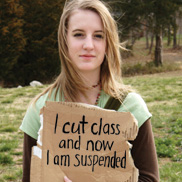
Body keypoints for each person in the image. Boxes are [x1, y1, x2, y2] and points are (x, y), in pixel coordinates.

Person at [20, 0, 159, 181]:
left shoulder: (130, 107)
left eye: (98, 36)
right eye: (78, 34)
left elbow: (149, 179)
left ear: (108, 43)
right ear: (65, 40)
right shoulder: (41, 109)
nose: (88, 45)